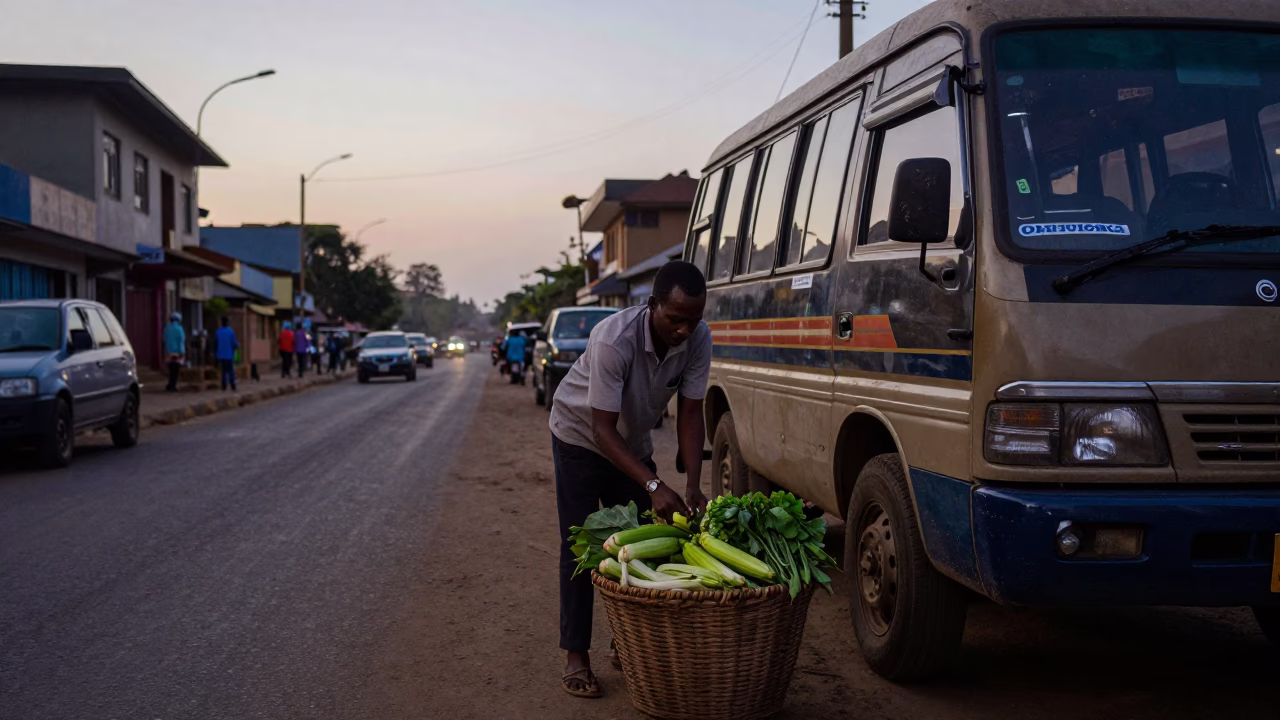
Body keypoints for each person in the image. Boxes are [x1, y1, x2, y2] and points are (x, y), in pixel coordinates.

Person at [548, 261, 712, 699]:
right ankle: (576, 655)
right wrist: (654, 486)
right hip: (580, 437)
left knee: (648, 542)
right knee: (582, 545)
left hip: (632, 444)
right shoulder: (613, 340)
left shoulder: (699, 337)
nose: (683, 330)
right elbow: (602, 430)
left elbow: (692, 412)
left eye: (692, 320)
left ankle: (629, 642)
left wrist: (692, 482)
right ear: (652, 305)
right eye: (675, 318)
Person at [215, 316, 239, 392]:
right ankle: (233, 385)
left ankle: (224, 386)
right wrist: (237, 346)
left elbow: (215, 343)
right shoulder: (231, 331)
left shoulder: (218, 332)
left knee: (223, 371)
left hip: (221, 355)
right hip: (229, 355)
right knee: (231, 371)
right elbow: (234, 343)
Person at [163, 312, 186, 392]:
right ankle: (172, 385)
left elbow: (164, 339)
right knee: (176, 371)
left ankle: (170, 384)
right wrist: (182, 353)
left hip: (169, 352)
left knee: (171, 369)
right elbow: (181, 341)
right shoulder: (179, 329)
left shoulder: (167, 328)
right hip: (177, 352)